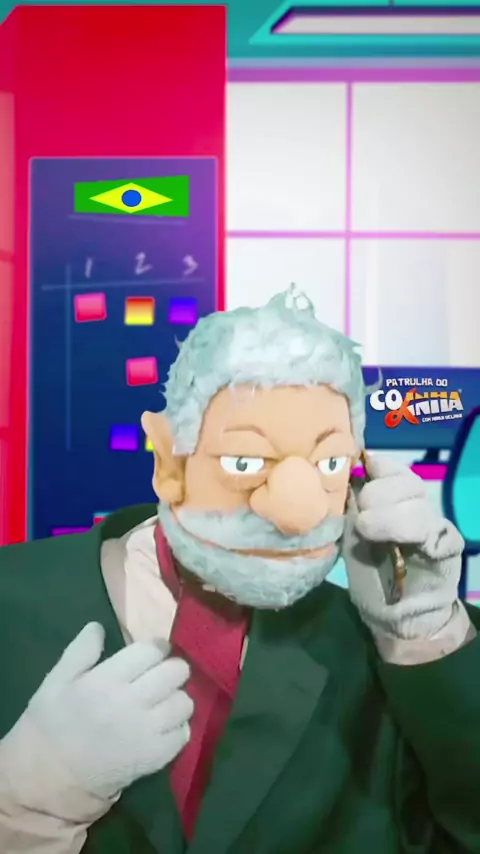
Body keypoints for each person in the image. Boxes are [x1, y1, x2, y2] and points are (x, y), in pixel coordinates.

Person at [0, 285, 478, 854]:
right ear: (168, 461)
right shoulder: (13, 600)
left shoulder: (373, 649)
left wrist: (431, 640)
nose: (296, 512)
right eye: (245, 461)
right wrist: (21, 806)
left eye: (329, 463)